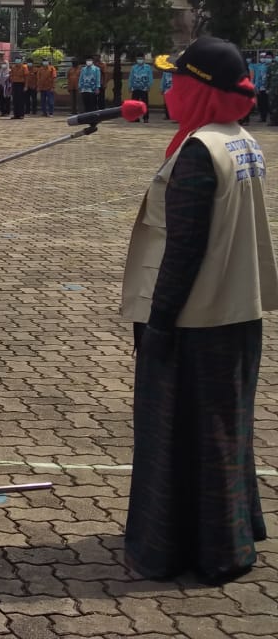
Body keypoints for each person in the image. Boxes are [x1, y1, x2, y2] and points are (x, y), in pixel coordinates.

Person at [122, 36, 276, 584]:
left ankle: (174, 547)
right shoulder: (240, 140)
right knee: (221, 435)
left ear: (198, 89)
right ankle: (226, 536)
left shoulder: (199, 152)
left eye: (175, 79)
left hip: (194, 320)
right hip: (238, 313)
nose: (167, 88)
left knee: (177, 437)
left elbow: (183, 251)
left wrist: (159, 324)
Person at [129, 54, 154, 123]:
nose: (139, 60)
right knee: (134, 104)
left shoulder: (147, 67)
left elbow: (150, 78)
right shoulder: (134, 68)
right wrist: (130, 86)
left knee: (145, 103)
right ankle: (135, 118)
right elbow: (131, 77)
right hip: (135, 88)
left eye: (141, 58)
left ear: (143, 59)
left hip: (144, 88)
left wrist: (149, 86)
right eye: (138, 58)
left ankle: (145, 118)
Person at [249, 53, 270, 124]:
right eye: (261, 57)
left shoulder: (270, 66)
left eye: (264, 57)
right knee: (261, 103)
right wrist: (256, 86)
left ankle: (268, 117)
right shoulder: (260, 66)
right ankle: (262, 117)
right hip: (260, 88)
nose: (263, 58)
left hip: (268, 87)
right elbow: (257, 77)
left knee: (268, 103)